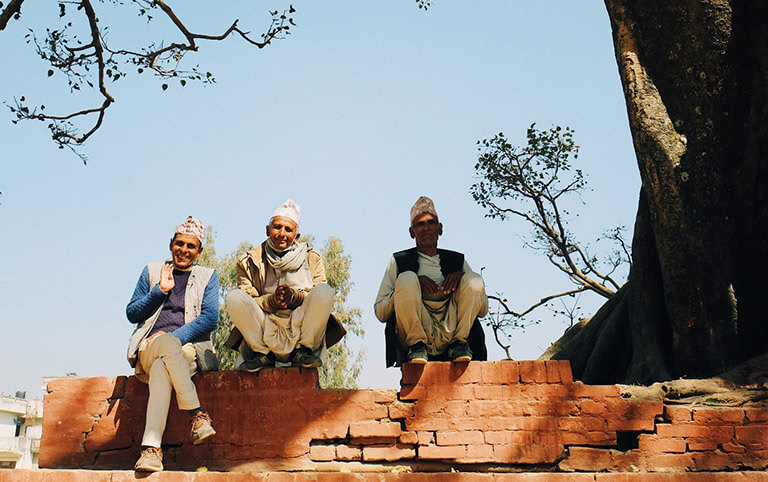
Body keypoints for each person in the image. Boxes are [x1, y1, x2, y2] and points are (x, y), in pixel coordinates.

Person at [126, 216, 219, 472]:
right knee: (160, 355)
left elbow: (211, 318)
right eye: (180, 244)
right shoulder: (152, 271)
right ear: (171, 244)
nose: (184, 251)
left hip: (186, 349)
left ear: (199, 251)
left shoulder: (207, 277)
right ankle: (196, 414)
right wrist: (159, 292)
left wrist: (172, 339)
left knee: (161, 368)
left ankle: (151, 451)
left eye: (191, 246)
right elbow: (132, 313)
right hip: (148, 346)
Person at [225, 199, 345, 372]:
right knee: (234, 298)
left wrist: (295, 297)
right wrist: (271, 302)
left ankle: (304, 350)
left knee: (325, 292)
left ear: (297, 235)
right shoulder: (249, 261)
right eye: (277, 227)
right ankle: (262, 354)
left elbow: (318, 296)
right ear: (267, 230)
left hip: (300, 325)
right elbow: (248, 299)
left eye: (288, 229)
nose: (282, 233)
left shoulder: (312, 258)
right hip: (265, 325)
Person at [375, 196, 489, 366]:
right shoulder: (399, 260)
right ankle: (417, 346)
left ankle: (459, 344)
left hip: (451, 330)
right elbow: (381, 312)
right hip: (417, 330)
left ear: (440, 228)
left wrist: (461, 278)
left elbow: (482, 310)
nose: (426, 228)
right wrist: (410, 286)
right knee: (407, 278)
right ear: (412, 232)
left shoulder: (457, 260)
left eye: (431, 223)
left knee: (474, 279)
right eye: (420, 224)